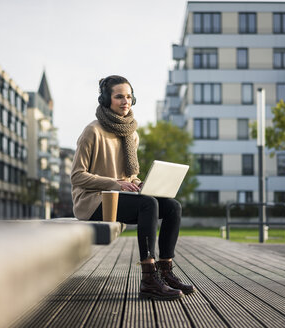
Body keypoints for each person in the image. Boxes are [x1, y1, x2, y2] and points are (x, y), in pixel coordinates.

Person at [71, 75, 194, 300]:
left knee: (172, 206)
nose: (125, 101)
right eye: (119, 96)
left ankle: (165, 272)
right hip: (93, 202)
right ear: (106, 99)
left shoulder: (131, 134)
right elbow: (77, 176)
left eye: (128, 96)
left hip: (119, 196)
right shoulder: (92, 131)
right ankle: (149, 279)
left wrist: (139, 183)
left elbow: (130, 175)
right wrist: (113, 183)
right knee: (148, 204)